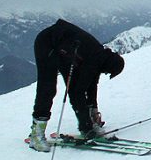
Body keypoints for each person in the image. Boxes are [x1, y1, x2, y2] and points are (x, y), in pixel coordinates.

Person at [28, 19, 125, 152]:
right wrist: (87, 125)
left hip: (64, 49)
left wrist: (93, 111)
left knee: (73, 83)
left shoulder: (101, 58)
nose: (105, 73)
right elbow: (76, 92)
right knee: (47, 87)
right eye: (108, 72)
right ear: (108, 67)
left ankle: (86, 126)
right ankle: (36, 135)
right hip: (48, 43)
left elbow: (91, 86)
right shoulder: (94, 61)